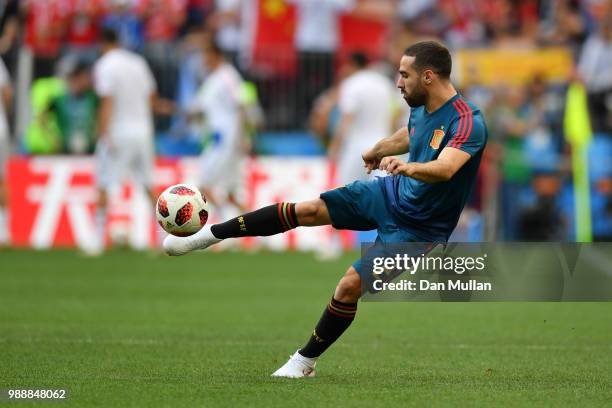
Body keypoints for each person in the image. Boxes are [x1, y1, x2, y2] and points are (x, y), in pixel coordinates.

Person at [163, 41, 488, 378]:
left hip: (419, 230)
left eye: (405, 75)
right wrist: (379, 148)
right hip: (391, 193)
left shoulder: (468, 123)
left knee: (348, 287)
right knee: (308, 210)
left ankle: (304, 362)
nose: (398, 82)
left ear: (429, 77)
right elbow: (413, 132)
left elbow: (447, 168)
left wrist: (406, 167)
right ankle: (208, 236)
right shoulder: (421, 104)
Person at [92, 28, 158, 252]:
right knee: (148, 184)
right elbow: (151, 97)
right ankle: (164, 237)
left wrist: (102, 131)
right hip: (143, 130)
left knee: (104, 183)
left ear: (103, 43)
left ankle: (97, 241)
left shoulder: (105, 65)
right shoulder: (138, 62)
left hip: (118, 131)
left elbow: (107, 100)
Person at [191, 39, 248, 213]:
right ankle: (265, 232)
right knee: (231, 195)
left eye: (205, 55)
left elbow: (241, 104)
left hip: (226, 140)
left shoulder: (228, 76)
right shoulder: (212, 79)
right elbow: (201, 110)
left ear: (215, 55)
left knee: (204, 187)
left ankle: (221, 229)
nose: (203, 60)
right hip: (217, 138)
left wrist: (243, 136)